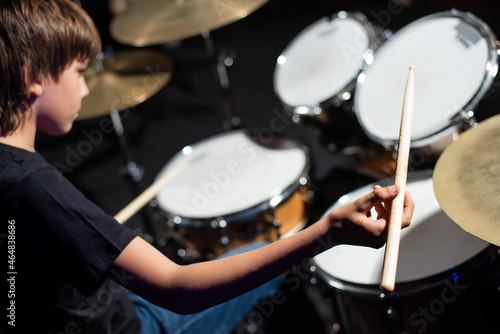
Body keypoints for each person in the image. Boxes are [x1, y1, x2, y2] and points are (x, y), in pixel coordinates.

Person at [0, 1, 414, 333]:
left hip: (92, 304)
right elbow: (176, 289)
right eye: (78, 72)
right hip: (136, 323)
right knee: (276, 261)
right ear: (31, 76)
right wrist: (326, 232)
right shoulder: (38, 187)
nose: (86, 87)